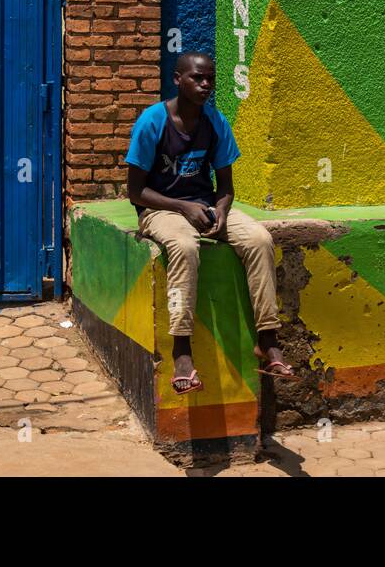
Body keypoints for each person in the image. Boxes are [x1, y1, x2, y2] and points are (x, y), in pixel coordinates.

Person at [125, 51, 294, 395]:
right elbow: (135, 191)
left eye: (210, 79)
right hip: (159, 210)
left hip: (204, 207)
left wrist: (221, 213)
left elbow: (226, 189)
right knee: (185, 247)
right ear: (177, 79)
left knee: (260, 239)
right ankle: (182, 350)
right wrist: (182, 207)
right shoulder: (152, 122)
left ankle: (267, 339)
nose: (205, 85)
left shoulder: (215, 122)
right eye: (196, 78)